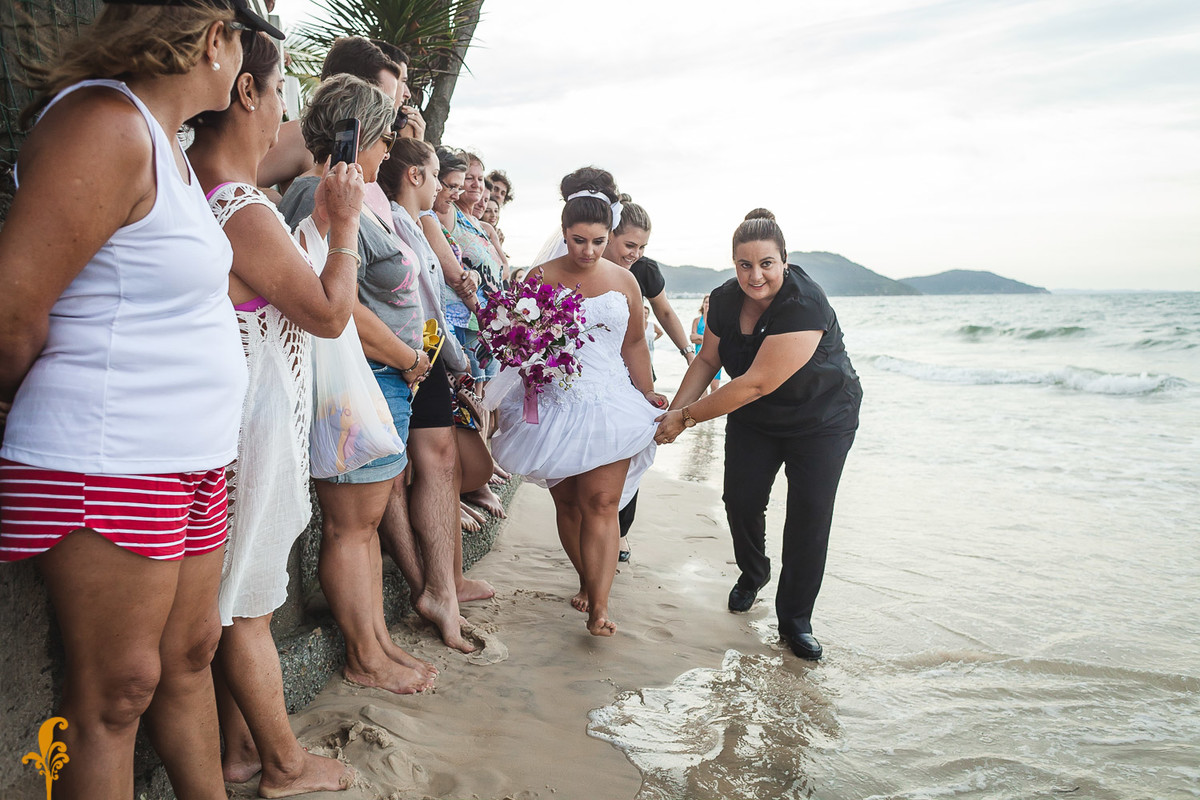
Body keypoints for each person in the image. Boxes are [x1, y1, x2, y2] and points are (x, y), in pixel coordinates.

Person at [0, 1, 279, 796]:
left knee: (189, 655)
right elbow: (13, 309)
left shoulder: (168, 144)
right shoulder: (103, 125)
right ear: (215, 38)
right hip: (109, 454)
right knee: (115, 693)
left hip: (189, 456)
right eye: (246, 43)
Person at [187, 30, 362, 793]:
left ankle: (238, 750)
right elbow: (328, 312)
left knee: (234, 601)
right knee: (247, 606)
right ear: (247, 91)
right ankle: (285, 764)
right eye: (282, 88)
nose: (285, 111)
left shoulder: (208, 190)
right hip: (251, 428)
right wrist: (345, 224)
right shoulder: (238, 206)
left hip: (240, 418)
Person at [278, 74, 437, 693]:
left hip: (371, 377)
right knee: (349, 525)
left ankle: (377, 642)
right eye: (383, 138)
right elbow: (337, 299)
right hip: (351, 380)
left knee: (364, 525)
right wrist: (406, 356)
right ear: (356, 136)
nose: (387, 151)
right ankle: (363, 655)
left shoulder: (341, 193)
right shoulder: (314, 191)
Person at [654, 209, 862, 661]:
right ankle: (754, 573)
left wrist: (686, 418)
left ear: (784, 260)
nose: (755, 276)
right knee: (741, 500)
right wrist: (670, 414)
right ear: (733, 264)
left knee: (809, 516)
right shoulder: (723, 300)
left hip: (822, 418)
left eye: (767, 263)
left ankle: (796, 622)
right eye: (744, 265)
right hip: (755, 416)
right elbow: (707, 360)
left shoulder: (805, 302)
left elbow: (756, 382)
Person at [489, 167, 665, 637]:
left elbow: (634, 344)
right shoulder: (539, 278)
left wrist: (647, 390)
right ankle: (587, 579)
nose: (588, 251)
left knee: (602, 501)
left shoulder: (625, 282)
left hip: (611, 402)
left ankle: (600, 607)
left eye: (598, 241)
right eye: (579, 240)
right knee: (568, 504)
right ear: (564, 232)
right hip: (555, 403)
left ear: (610, 235)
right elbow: (517, 344)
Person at [374, 139, 493, 653]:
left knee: (440, 459)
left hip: (428, 351)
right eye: (437, 175)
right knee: (404, 471)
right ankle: (431, 586)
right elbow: (423, 299)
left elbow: (432, 305)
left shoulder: (415, 221)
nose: (451, 190)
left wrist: (453, 362)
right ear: (416, 175)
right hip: (396, 356)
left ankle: (445, 584)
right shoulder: (391, 218)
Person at [600, 197, 693, 554]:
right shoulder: (587, 264)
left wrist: (689, 353)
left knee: (632, 446)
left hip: (636, 372)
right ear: (610, 235)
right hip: (596, 370)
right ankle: (594, 519)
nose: (635, 254)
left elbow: (665, 313)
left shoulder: (645, 271)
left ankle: (620, 529)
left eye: (642, 247)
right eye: (629, 245)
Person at [691, 295, 722, 394]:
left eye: (710, 302)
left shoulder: (718, 321)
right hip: (700, 357)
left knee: (715, 386)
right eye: (706, 302)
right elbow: (692, 338)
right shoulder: (697, 321)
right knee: (701, 388)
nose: (708, 304)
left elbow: (720, 340)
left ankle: (713, 405)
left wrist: (699, 338)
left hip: (715, 357)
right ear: (703, 304)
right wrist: (710, 339)